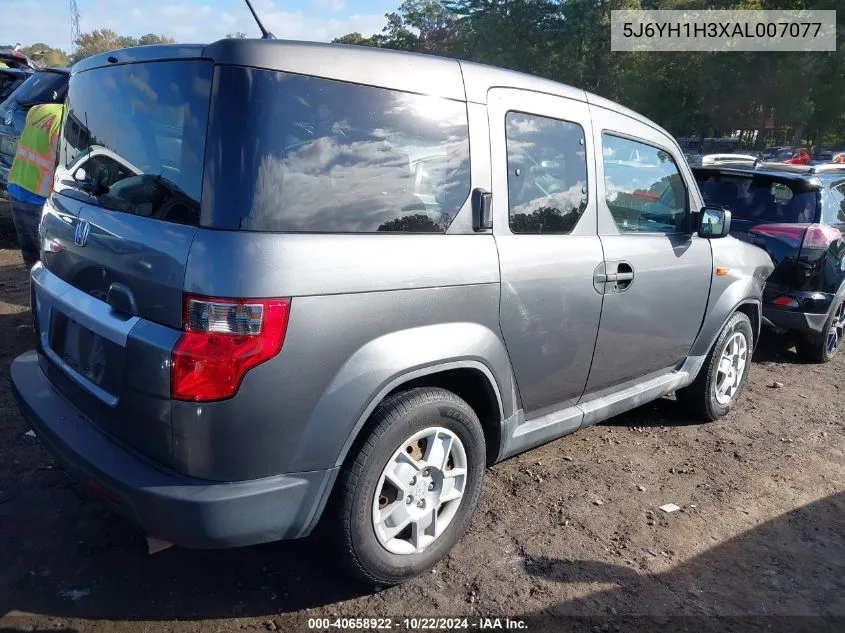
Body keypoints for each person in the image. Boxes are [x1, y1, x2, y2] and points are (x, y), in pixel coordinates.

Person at [7, 102, 65, 269]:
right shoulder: (70, 122)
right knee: (48, 265)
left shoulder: (37, 109)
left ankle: (33, 292)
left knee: (32, 261)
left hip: (17, 185)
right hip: (39, 198)